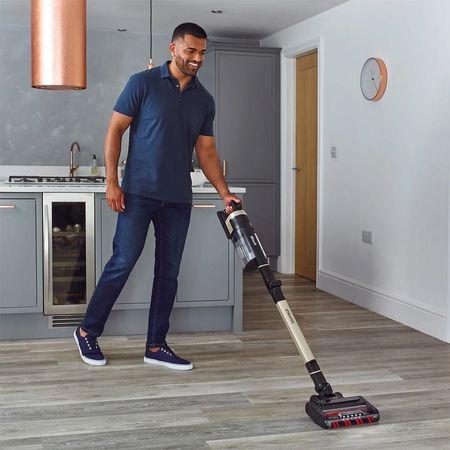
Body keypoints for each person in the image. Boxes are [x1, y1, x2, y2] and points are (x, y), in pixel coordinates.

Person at [73, 23, 240, 370]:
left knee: (169, 273)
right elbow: (115, 130)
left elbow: (207, 153)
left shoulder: (203, 100)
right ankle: (88, 331)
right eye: (191, 51)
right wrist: (112, 182)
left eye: (202, 52)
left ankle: (156, 344)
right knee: (123, 261)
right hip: (138, 192)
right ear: (173, 48)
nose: (197, 58)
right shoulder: (143, 83)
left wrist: (225, 194)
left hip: (178, 198)